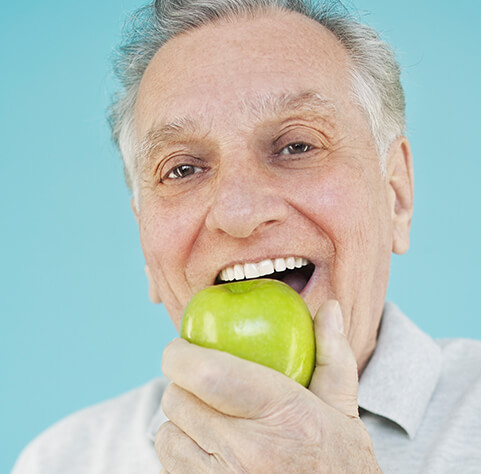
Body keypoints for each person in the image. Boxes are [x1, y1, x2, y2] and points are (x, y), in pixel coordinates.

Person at [12, 0, 481, 472]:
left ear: (396, 193)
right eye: (182, 169)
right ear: (146, 244)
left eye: (297, 146)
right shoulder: (61, 460)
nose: (239, 213)